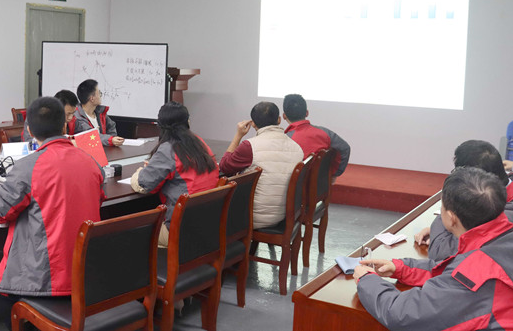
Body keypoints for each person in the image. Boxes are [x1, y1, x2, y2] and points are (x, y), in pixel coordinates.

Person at [355, 167, 513, 331]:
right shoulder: (512, 237)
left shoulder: (477, 273)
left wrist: (366, 280)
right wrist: (401, 268)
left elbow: (403, 314)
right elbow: (452, 273)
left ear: (451, 217)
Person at [415, 140, 513, 329]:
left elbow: (442, 255)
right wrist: (453, 222)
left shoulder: (509, 217)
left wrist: (451, 209)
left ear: (474, 181)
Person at [0, 97, 104, 329]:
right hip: (88, 271)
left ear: (29, 130)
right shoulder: (90, 162)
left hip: (48, 278)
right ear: (64, 125)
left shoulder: (27, 167)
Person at [130, 102, 219, 246]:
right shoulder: (199, 142)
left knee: (124, 231)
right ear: (187, 121)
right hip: (207, 225)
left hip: (181, 230)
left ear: (160, 126)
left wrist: (140, 171)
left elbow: (144, 184)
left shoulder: (168, 149)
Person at [219, 101, 303, 229]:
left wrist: (238, 135)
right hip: (285, 214)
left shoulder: (250, 146)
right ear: (279, 120)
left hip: (254, 216)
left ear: (253, 123)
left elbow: (224, 167)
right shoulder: (296, 147)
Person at [282, 93, 351, 175]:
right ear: (307, 113)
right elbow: (345, 148)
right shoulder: (325, 133)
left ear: (284, 116)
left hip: (292, 182)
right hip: (320, 181)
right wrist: (333, 173)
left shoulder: (284, 139)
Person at [74, 79, 124, 146]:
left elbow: (111, 127)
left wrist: (113, 140)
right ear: (92, 98)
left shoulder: (100, 112)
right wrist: (110, 140)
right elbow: (90, 136)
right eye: (99, 93)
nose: (101, 95)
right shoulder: (77, 117)